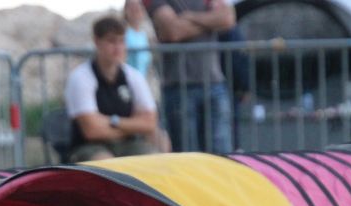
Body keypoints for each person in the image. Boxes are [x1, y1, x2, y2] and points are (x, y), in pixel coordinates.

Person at [64, 15, 159, 162]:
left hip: (128, 144)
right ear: (97, 42)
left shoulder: (132, 76)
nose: (118, 47)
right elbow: (92, 131)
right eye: (111, 41)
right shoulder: (81, 77)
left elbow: (150, 123)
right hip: (88, 147)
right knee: (106, 165)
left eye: (122, 41)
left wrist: (112, 121)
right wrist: (131, 126)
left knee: (154, 157)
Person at [144, 0, 234, 153]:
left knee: (222, 156)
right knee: (187, 157)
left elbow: (227, 18)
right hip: (179, 88)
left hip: (214, 84)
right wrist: (210, 21)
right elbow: (173, 31)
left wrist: (189, 17)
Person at [123, 0, 152, 77]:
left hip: (141, 80)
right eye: (132, 7)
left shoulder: (143, 35)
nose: (137, 9)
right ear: (126, 11)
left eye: (139, 6)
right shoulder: (123, 34)